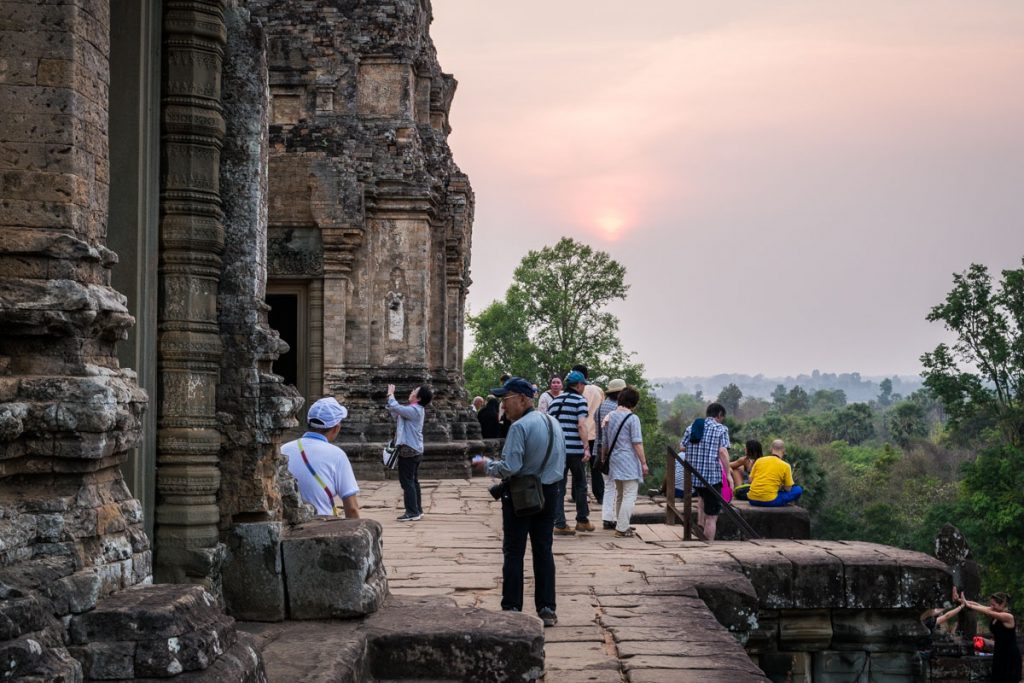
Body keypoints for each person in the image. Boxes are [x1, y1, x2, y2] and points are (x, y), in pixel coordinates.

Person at [472, 377, 565, 627]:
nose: (504, 406)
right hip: (550, 492)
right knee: (543, 550)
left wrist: (486, 465)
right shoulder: (553, 423)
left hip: (522, 495)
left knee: (514, 551)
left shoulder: (519, 427)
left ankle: (512, 606)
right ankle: (547, 608)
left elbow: (510, 467)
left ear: (522, 399)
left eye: (507, 400)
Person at [281, 397, 360, 518]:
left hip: (286, 523)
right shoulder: (337, 455)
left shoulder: (284, 449)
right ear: (336, 428)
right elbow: (352, 508)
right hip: (321, 527)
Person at [678, 402, 731, 541]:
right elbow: (722, 451)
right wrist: (729, 474)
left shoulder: (692, 427)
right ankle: (707, 545)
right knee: (712, 516)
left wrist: (697, 449)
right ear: (719, 415)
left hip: (693, 477)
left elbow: (682, 447)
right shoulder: (721, 429)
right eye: (722, 417)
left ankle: (700, 528)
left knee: (702, 499)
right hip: (711, 477)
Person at [548, 370, 592, 535]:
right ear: (579, 385)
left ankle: (559, 523)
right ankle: (582, 520)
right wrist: (586, 446)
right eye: (583, 385)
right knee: (580, 484)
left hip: (558, 450)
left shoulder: (555, 400)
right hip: (575, 450)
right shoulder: (580, 400)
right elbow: (581, 425)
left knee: (559, 486)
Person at [603, 386, 648, 537]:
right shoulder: (633, 418)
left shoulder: (610, 416)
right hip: (628, 459)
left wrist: (604, 457)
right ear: (634, 402)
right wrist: (643, 462)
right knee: (630, 494)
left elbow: (606, 441)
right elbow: (637, 442)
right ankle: (622, 528)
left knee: (621, 493)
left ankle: (621, 524)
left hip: (614, 459)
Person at [386, 383, 433, 521]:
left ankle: (412, 512)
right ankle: (417, 509)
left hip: (409, 451)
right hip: (414, 450)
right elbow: (395, 411)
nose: (411, 392)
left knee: (407, 482)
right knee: (413, 481)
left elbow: (395, 407)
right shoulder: (413, 410)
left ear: (418, 398)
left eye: (414, 391)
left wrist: (390, 394)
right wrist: (391, 403)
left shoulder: (415, 410)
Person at [959, 591, 1021, 683]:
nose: (991, 606)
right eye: (990, 604)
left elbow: (987, 611)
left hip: (1009, 654)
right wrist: (960, 600)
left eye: (993, 604)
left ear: (1002, 604)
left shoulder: (1008, 616)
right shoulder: (996, 610)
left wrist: (968, 605)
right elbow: (978, 605)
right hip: (999, 651)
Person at [573, 364, 606, 505]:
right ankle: (600, 495)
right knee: (595, 468)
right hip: (595, 433)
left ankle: (576, 495)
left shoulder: (575, 391)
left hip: (580, 433)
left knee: (577, 467)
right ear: (587, 375)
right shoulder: (598, 390)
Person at [595, 378, 625, 529]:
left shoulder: (600, 407)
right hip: (613, 452)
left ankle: (608, 517)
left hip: (599, 450)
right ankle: (615, 518)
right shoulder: (617, 409)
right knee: (617, 487)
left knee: (608, 485)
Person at [747, 439, 804, 508]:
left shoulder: (759, 460)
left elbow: (750, 481)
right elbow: (788, 489)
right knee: (798, 489)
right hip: (770, 501)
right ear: (784, 450)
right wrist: (781, 485)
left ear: (771, 449)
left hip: (752, 500)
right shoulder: (785, 466)